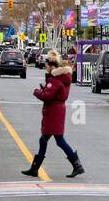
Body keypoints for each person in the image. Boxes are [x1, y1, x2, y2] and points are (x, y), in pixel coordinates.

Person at [22, 50, 84, 178]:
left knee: (56, 140)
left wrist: (37, 91)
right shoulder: (60, 78)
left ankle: (76, 165)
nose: (45, 68)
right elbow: (53, 93)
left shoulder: (55, 80)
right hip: (56, 111)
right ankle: (35, 168)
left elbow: (48, 96)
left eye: (46, 66)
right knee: (48, 140)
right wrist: (46, 87)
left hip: (53, 113)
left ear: (51, 66)